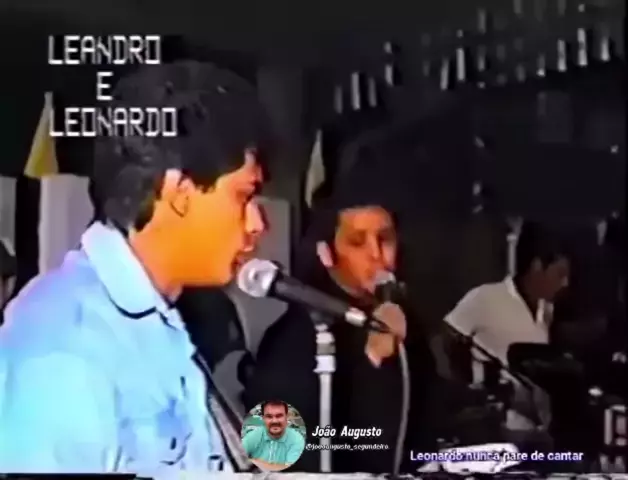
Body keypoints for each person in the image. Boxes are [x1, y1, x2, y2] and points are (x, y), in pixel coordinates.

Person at [0, 61, 269, 475]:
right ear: (179, 193)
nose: (257, 224)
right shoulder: (64, 345)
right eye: (244, 196)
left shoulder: (160, 320)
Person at [243, 168, 438, 474]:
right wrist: (372, 363)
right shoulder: (293, 337)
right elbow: (273, 452)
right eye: (357, 242)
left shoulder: (404, 321)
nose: (376, 254)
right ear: (326, 253)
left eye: (384, 239)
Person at [443, 221, 570, 431]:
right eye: (560, 274)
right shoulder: (484, 297)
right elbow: (445, 340)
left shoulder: (548, 310)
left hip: (536, 429)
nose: (565, 283)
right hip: (497, 429)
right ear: (537, 266)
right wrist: (469, 388)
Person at [242, 400, 305, 471]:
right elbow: (240, 457)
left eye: (279, 416)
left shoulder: (297, 439)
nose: (274, 421)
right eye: (269, 416)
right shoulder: (255, 434)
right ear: (263, 418)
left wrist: (254, 462)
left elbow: (288, 468)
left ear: (287, 417)